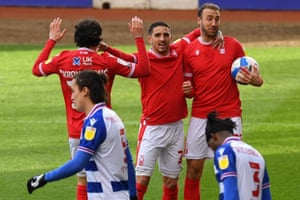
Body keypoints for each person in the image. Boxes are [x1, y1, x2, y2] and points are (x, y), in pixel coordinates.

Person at [101, 21, 223, 199]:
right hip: (152, 129)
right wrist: (108, 49)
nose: (162, 39)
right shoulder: (143, 60)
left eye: (166, 35)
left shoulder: (178, 50)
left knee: (171, 182)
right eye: (157, 35)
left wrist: (217, 33)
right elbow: (125, 57)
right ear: (149, 39)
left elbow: (197, 31)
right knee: (140, 182)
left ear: (171, 37)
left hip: (176, 129)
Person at [31, 17, 149, 200]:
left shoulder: (63, 59)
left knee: (83, 180)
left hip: (76, 131)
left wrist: (52, 39)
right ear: (98, 40)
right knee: (110, 176)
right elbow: (143, 69)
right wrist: (138, 38)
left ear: (76, 39)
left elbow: (37, 69)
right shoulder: (107, 61)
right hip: (104, 127)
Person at [182, 3, 264, 200]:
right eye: (209, 18)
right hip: (201, 114)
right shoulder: (189, 50)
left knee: (233, 167)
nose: (213, 23)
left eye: (217, 18)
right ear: (199, 21)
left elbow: (250, 76)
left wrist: (256, 81)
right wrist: (188, 91)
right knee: (193, 169)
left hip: (230, 114)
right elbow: (190, 88)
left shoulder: (233, 45)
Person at [27, 70, 138, 200]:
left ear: (85, 91)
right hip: (120, 194)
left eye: (74, 91)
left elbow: (78, 163)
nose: (71, 97)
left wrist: (44, 178)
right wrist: (133, 194)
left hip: (106, 195)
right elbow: (128, 160)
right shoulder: (112, 116)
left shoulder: (95, 122)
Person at [205, 111, 272, 200]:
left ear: (214, 137)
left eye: (212, 146)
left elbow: (230, 185)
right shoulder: (257, 154)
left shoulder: (225, 151)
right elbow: (266, 193)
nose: (214, 151)